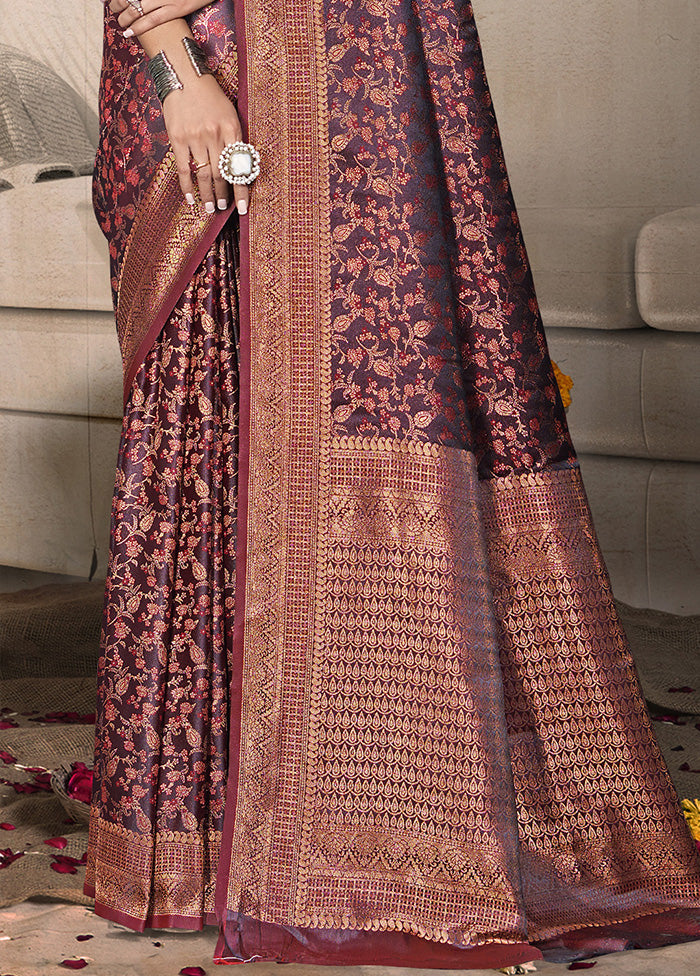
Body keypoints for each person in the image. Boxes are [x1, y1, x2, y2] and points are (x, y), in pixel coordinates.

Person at [85, 0, 700, 968]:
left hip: (379, 62)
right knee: (208, 395)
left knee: (390, 381)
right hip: (211, 54)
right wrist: (175, 71)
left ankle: (384, 829)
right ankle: (198, 850)